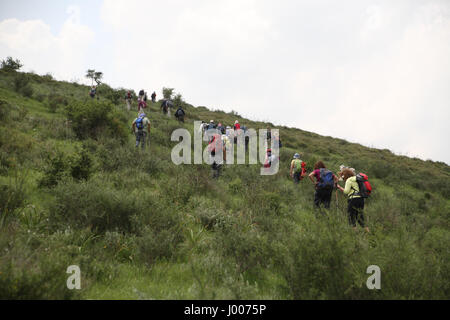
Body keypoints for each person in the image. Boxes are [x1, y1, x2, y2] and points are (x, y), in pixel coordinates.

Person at [337, 169, 370, 233]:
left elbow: (346, 191)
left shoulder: (349, 180)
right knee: (360, 217)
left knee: (351, 216)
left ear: (345, 175)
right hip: (361, 199)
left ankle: (355, 234)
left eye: (342, 176)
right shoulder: (357, 179)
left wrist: (339, 187)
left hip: (353, 199)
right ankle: (368, 232)